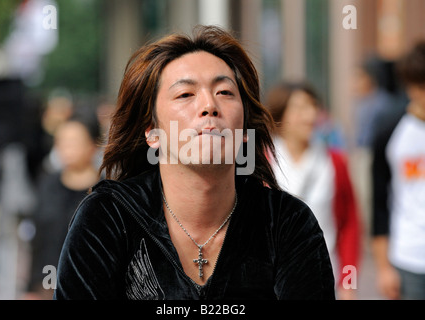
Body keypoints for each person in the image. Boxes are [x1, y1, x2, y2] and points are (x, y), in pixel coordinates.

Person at [54, 25, 335, 300]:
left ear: (245, 128)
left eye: (224, 92)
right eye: (185, 94)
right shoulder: (108, 218)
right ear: (152, 132)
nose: (209, 105)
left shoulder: (287, 223)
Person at [265, 82, 361, 299]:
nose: (310, 115)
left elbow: (350, 225)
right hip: (271, 284)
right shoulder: (261, 162)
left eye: (313, 107)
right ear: (280, 114)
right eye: (299, 108)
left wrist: (349, 283)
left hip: (325, 280)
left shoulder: (335, 162)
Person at [371, 41, 425, 300]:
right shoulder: (390, 131)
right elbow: (378, 203)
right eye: (420, 86)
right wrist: (383, 268)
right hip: (409, 257)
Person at [26, 115, 101, 299]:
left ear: (93, 145)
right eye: (61, 141)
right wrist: (30, 288)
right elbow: (38, 240)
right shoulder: (47, 184)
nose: (66, 148)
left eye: (73, 141)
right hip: (46, 287)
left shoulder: (106, 192)